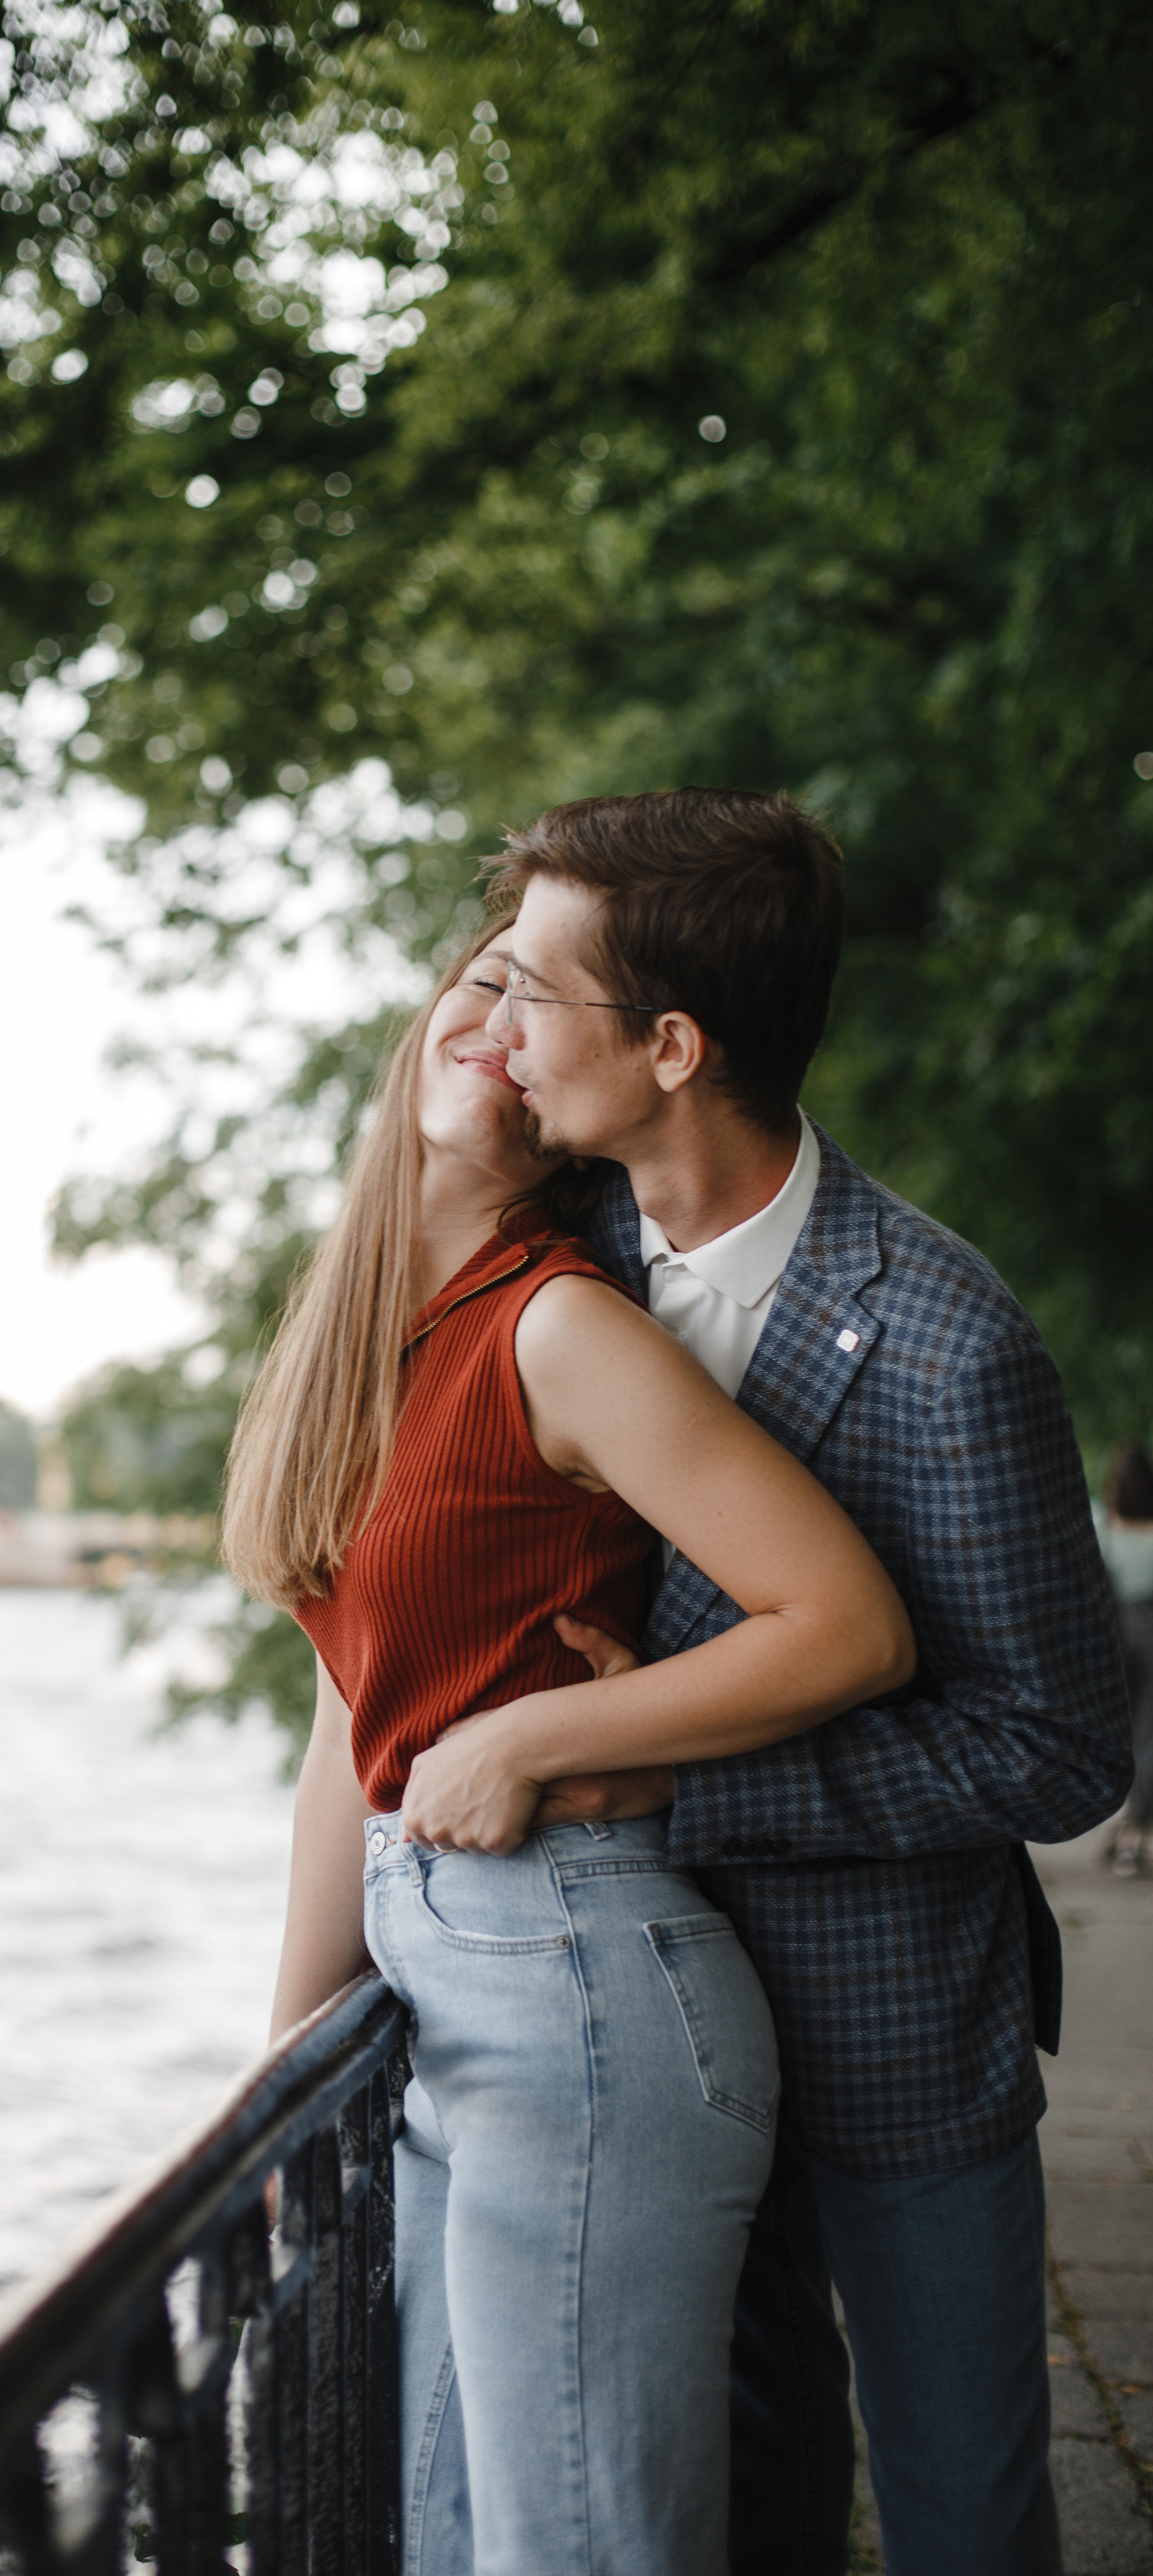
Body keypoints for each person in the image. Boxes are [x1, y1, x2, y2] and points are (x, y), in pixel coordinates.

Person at [479, 788, 1130, 2576]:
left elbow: (1063, 1751)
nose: (495, 1026)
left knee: (963, 2510)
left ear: (674, 1045)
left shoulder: (949, 1341)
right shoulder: (545, 1276)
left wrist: (690, 1777)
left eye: (534, 988)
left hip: (898, 2039)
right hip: (641, 2036)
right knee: (743, 2497)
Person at [224, 923, 916, 2576]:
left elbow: (844, 1621)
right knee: (457, 2534)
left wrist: (535, 1730)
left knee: (578, 2548)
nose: (493, 1018)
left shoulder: (553, 1325)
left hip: (577, 1995)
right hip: (454, 1994)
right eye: (478, 979)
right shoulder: (367, 1348)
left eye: (533, 1003)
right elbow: (353, 1713)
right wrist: (284, 2051)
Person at [1097, 1444, 1153, 1876]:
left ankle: (1119, 1823)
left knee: (1115, 1734)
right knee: (1147, 1736)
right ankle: (1134, 1830)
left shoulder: (1103, 1525)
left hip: (1113, 1639)